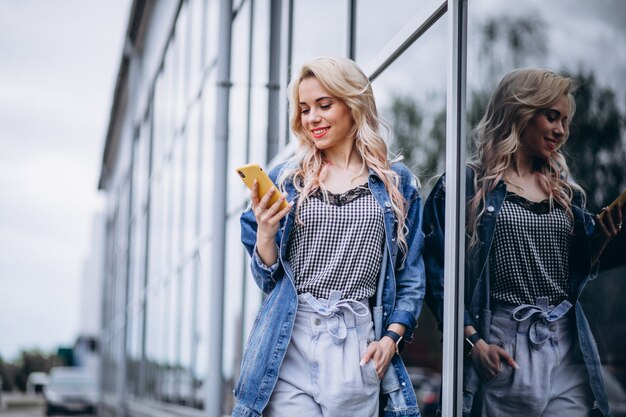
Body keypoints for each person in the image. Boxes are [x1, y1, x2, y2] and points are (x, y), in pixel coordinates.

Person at [423, 68, 623, 416]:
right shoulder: (468, 185)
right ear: (521, 113)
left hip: (565, 341)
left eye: (565, 121)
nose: (561, 130)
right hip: (505, 342)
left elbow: (572, 272)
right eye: (551, 117)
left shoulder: (563, 193)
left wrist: (601, 241)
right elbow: (438, 274)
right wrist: (473, 343)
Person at [234, 56, 425, 417]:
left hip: (357, 343)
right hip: (292, 336)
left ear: (354, 105)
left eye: (324, 105)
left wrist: (391, 338)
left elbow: (410, 275)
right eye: (304, 109)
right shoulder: (287, 179)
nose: (312, 119)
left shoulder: (397, 184)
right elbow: (266, 278)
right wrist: (265, 235)